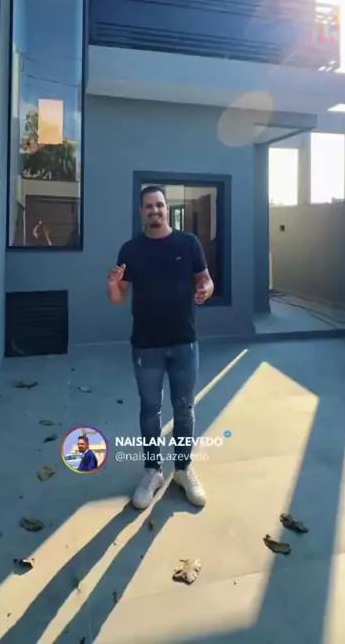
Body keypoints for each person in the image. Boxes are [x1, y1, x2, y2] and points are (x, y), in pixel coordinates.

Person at [107, 185, 214, 510]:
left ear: (167, 208)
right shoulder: (131, 250)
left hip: (184, 342)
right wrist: (112, 285)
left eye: (159, 205)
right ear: (142, 212)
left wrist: (206, 289)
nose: (155, 210)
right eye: (149, 206)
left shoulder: (188, 243)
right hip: (146, 346)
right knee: (150, 410)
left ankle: (183, 469)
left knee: (184, 409)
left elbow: (205, 279)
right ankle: (152, 472)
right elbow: (118, 297)